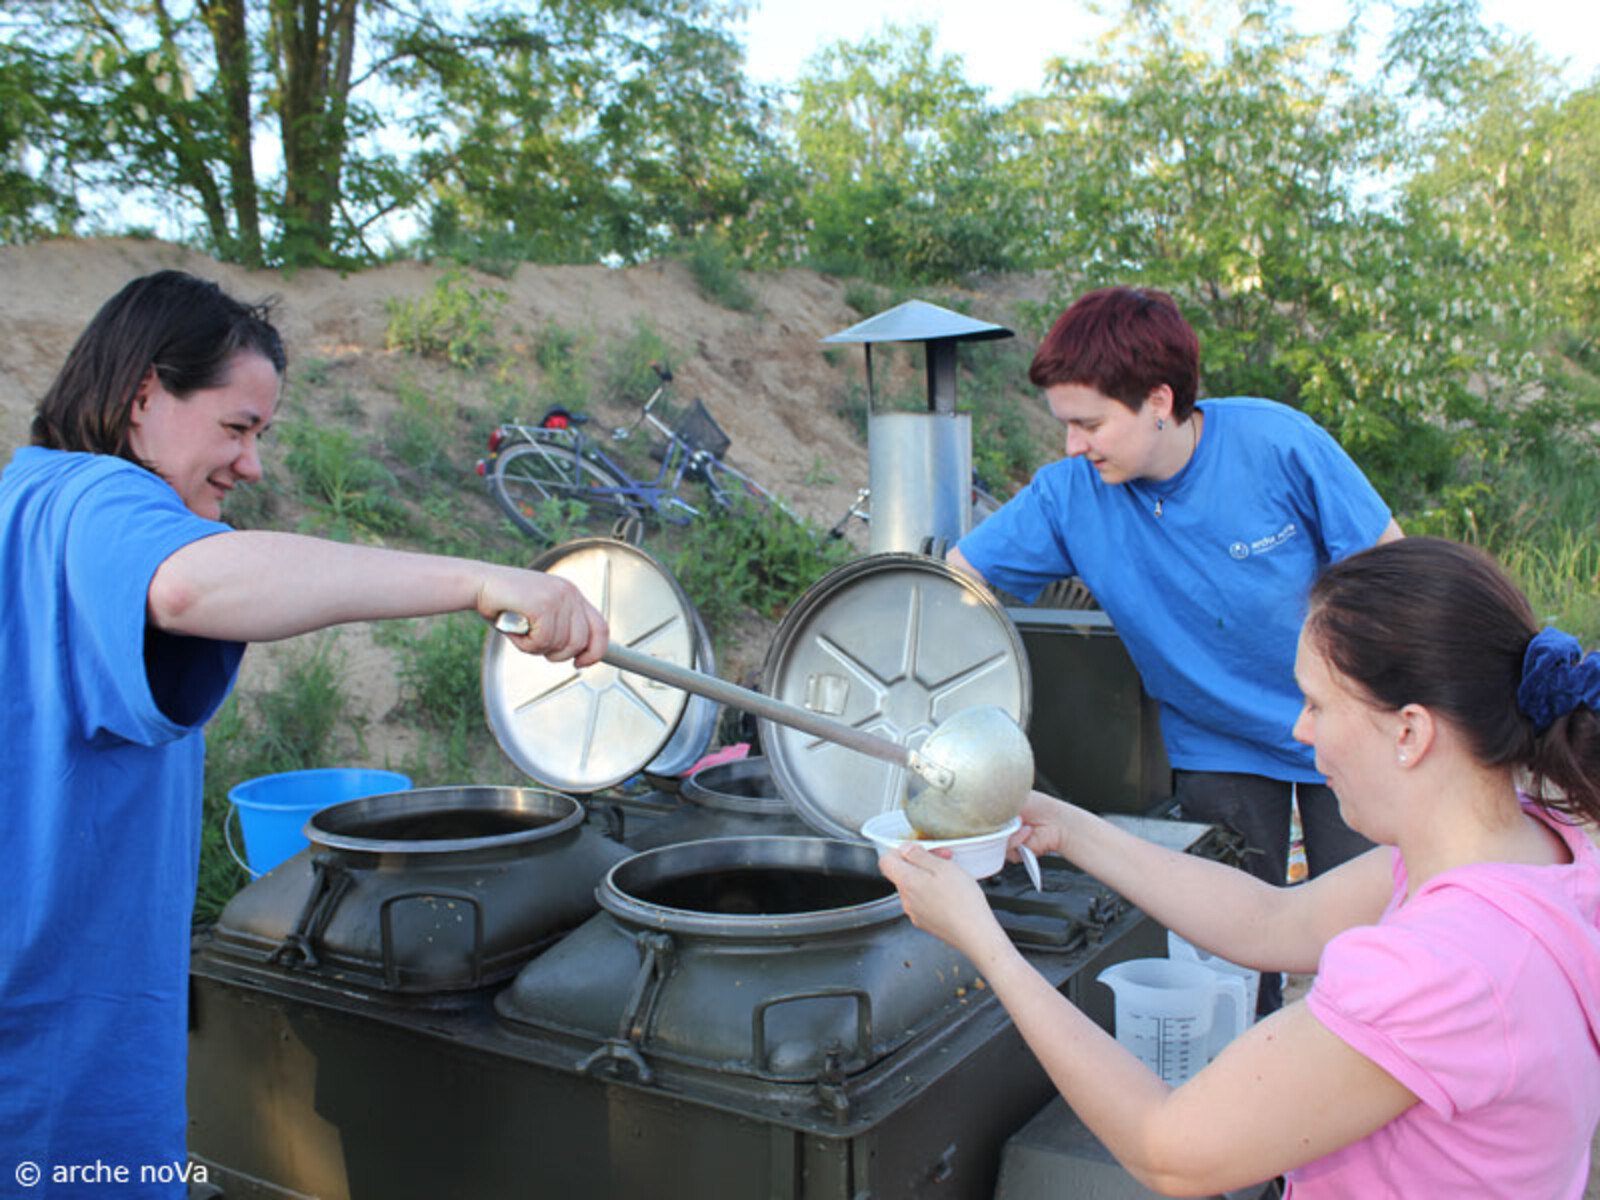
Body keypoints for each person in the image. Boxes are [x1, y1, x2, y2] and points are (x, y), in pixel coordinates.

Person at [0, 270, 608, 1197]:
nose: (252, 464)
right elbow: (192, 584)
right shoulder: (94, 504)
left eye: (262, 435)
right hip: (59, 1066)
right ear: (142, 396)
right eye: (237, 428)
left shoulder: (28, 499)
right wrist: (481, 581)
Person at [882, 537, 1600, 1197]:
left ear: (1410, 731)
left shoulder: (1444, 971)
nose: (1300, 729)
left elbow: (1169, 1147)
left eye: (1318, 703)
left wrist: (984, 942)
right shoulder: (1533, 845)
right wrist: (1065, 826)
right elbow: (1272, 920)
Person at [948, 286, 1402, 1013]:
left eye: (1089, 423)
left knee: (1364, 944)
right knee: (1225, 951)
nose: (1073, 445)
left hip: (1344, 726)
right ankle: (1247, 1092)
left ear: (1159, 400)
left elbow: (1393, 570)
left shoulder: (1278, 445)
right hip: (1215, 742)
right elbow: (957, 580)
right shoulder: (1069, 497)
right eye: (1065, 424)